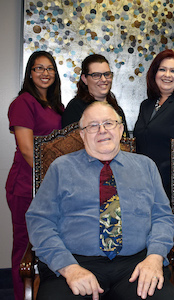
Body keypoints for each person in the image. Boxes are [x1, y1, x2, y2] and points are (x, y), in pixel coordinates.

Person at [26, 101, 174, 300]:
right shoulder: (61, 168)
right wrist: (69, 268)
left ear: (121, 129)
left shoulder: (146, 166)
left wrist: (155, 257)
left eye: (109, 123)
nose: (102, 130)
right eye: (92, 126)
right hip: (76, 261)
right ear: (81, 134)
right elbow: (40, 222)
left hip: (135, 264)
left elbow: (162, 217)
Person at [6, 50, 64, 300]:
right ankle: (21, 296)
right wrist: (48, 182)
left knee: (48, 242)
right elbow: (28, 149)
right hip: (27, 185)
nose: (45, 73)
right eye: (39, 68)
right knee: (25, 246)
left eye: (49, 68)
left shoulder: (56, 106)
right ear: (30, 73)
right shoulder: (23, 102)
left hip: (50, 185)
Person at [133, 49, 174, 199]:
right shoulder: (146, 105)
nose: (167, 75)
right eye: (162, 69)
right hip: (140, 180)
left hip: (168, 186)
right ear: (154, 74)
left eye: (173, 71)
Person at [61, 53, 129, 137]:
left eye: (107, 74)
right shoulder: (75, 108)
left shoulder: (117, 109)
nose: (104, 79)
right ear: (84, 79)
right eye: (96, 75)